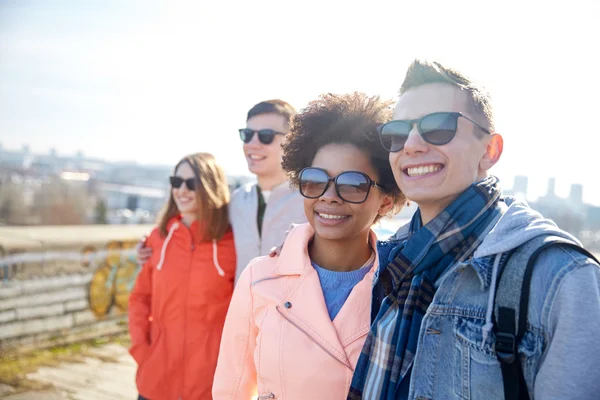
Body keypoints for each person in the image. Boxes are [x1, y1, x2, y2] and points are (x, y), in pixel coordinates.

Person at [348, 60, 600, 399]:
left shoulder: (560, 276)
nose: (411, 144)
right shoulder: (395, 258)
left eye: (437, 127)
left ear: (490, 150)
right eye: (397, 132)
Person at [212, 93, 406, 399]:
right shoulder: (258, 278)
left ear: (386, 200)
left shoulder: (403, 287)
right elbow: (231, 389)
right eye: (315, 180)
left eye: (353, 184)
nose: (329, 196)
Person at [137, 99, 306, 282]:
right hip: (241, 309)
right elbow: (197, 232)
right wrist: (150, 244)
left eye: (265, 136)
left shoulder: (311, 202)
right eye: (247, 134)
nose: (253, 143)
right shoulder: (236, 201)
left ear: (291, 141)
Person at [128, 153, 236, 400]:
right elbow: (139, 299)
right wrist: (142, 351)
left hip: (209, 385)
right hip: (156, 380)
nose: (182, 190)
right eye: (176, 182)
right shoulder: (158, 239)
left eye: (192, 183)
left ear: (210, 186)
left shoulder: (232, 242)